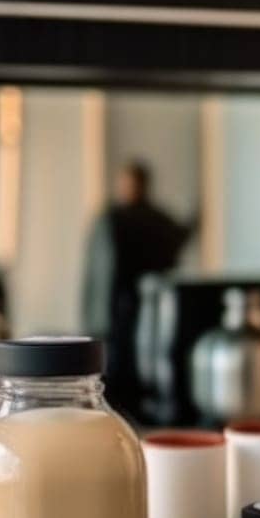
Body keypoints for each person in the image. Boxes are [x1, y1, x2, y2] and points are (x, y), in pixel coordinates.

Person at [82, 159, 196, 405]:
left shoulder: (152, 218)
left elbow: (175, 241)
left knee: (139, 357)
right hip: (110, 304)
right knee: (110, 359)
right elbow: (97, 270)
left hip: (143, 304)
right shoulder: (109, 218)